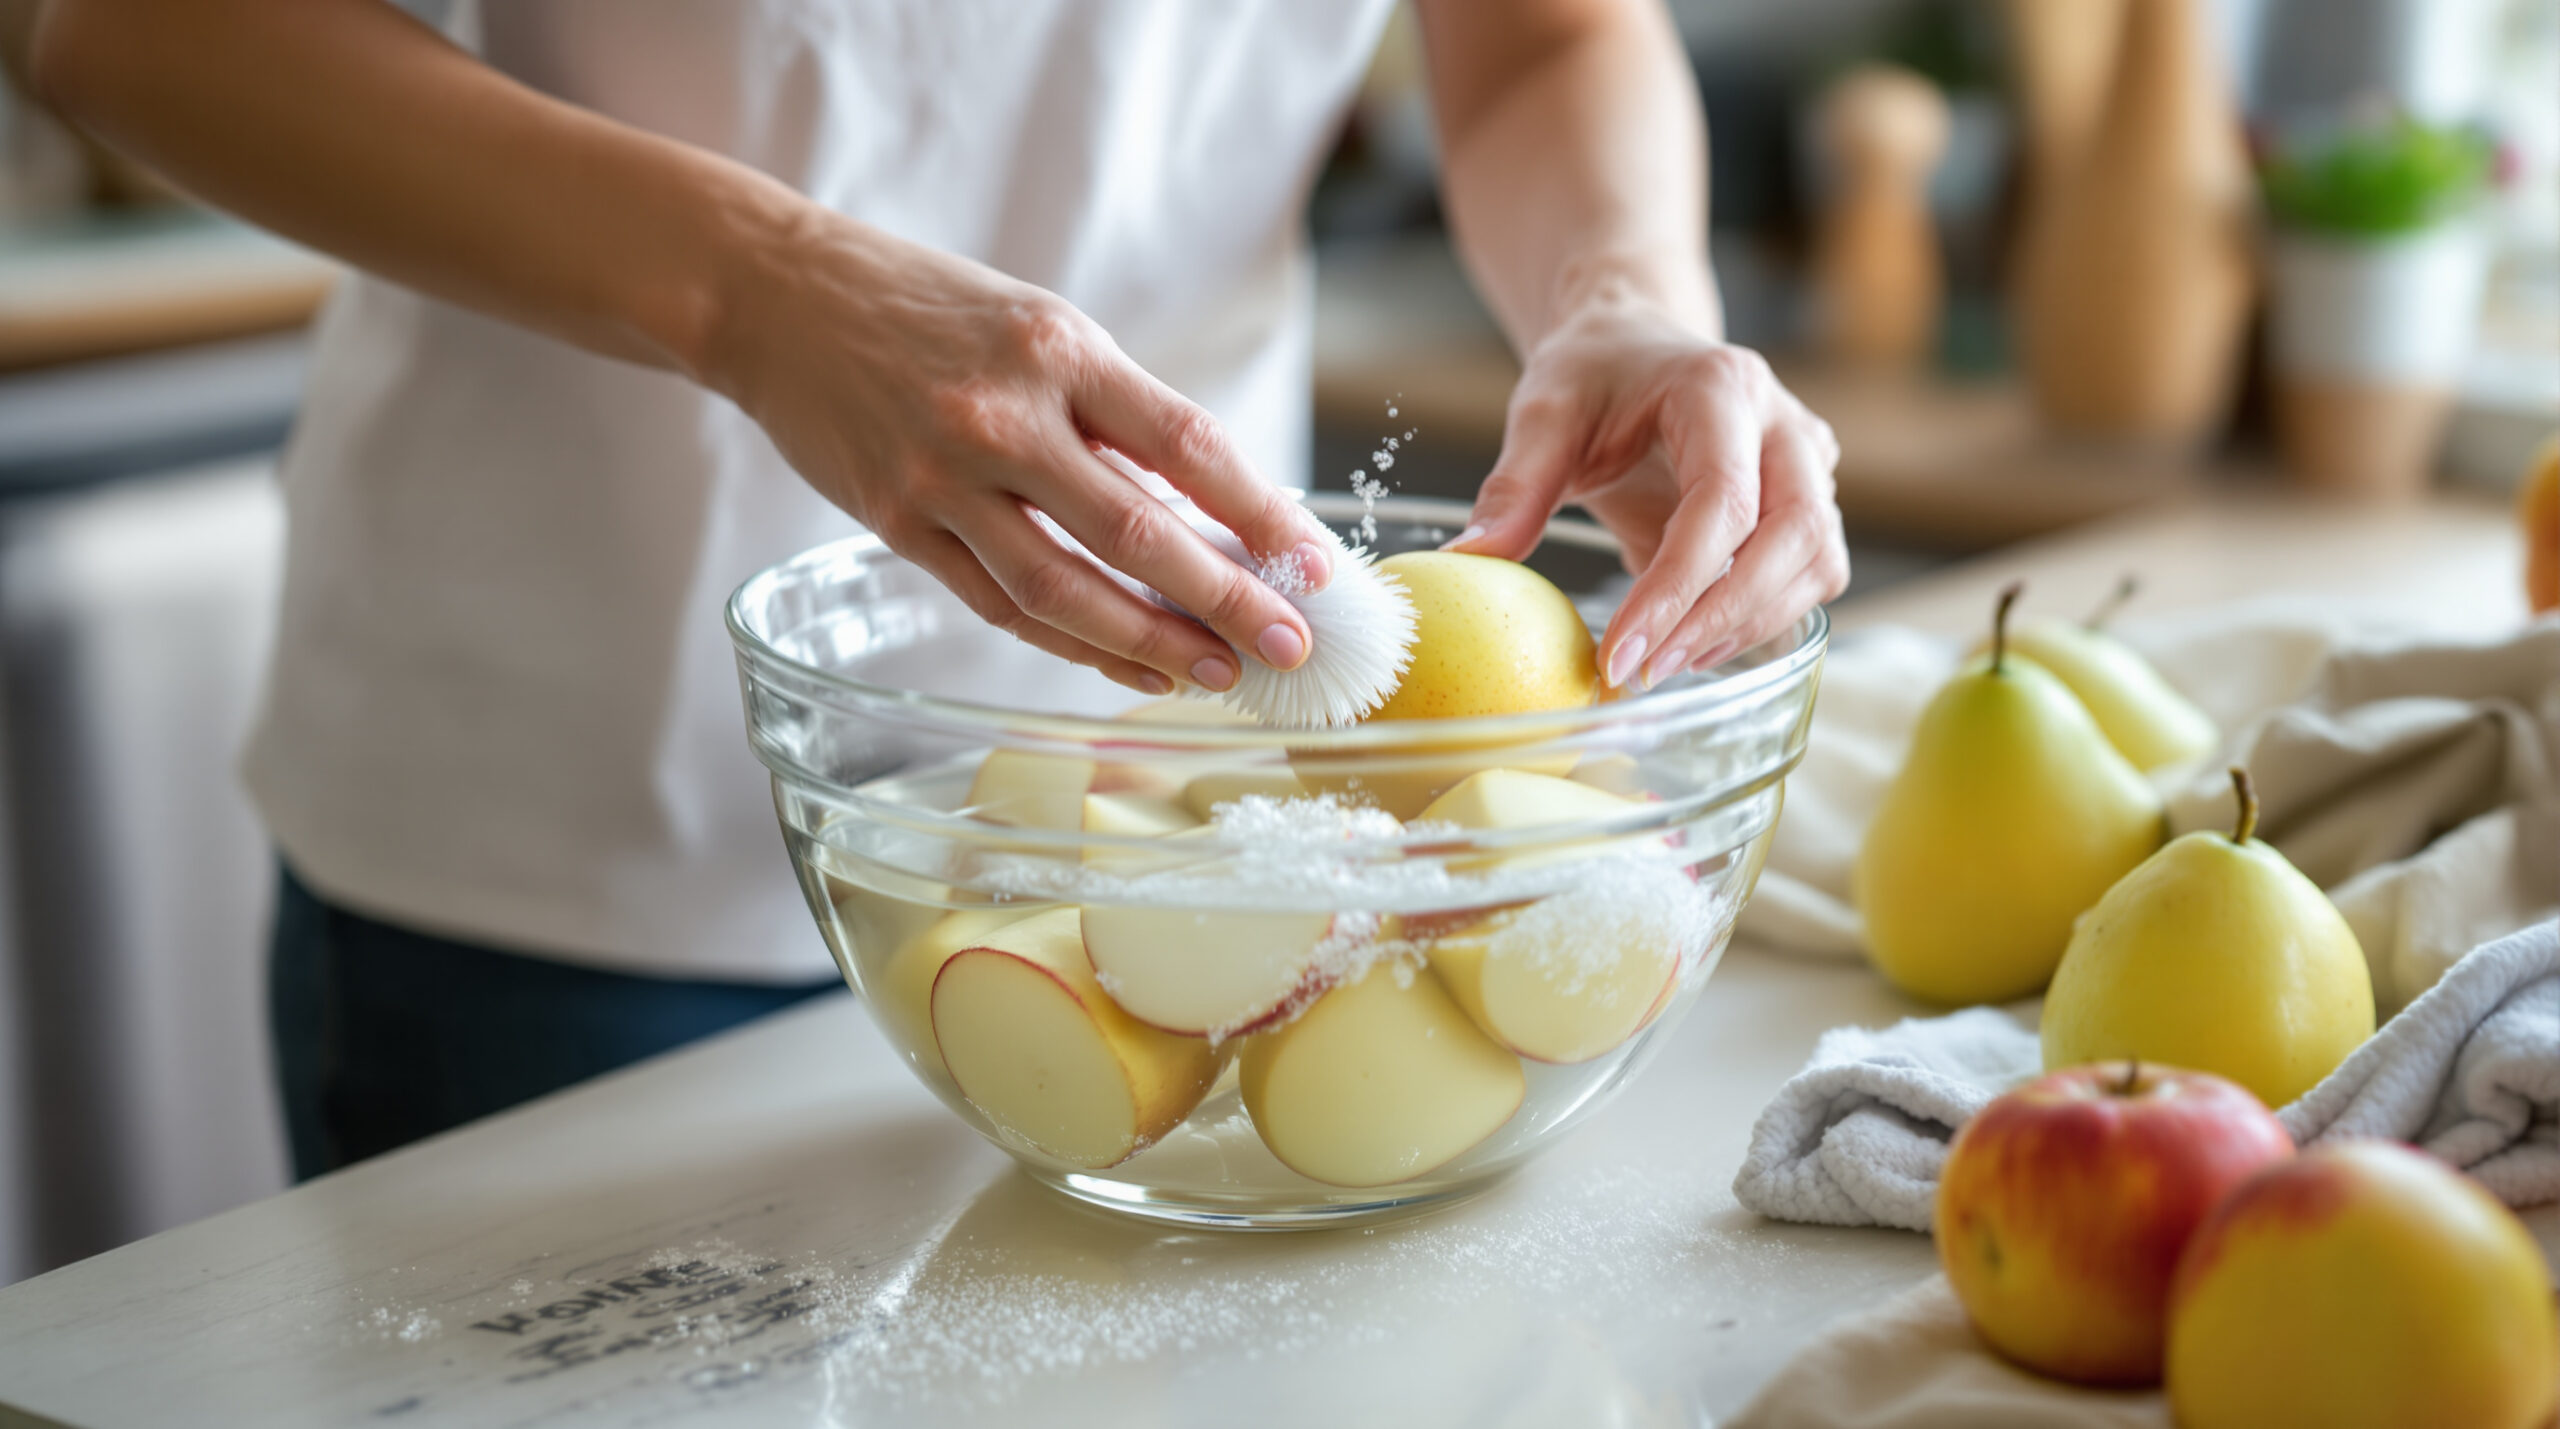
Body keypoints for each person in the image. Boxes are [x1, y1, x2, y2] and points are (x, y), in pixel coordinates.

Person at [12, 0, 1847, 1177]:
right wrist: (761, 284)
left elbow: (1535, 36)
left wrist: (1623, 289)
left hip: (1200, 838)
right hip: (562, 882)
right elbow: (119, 29)